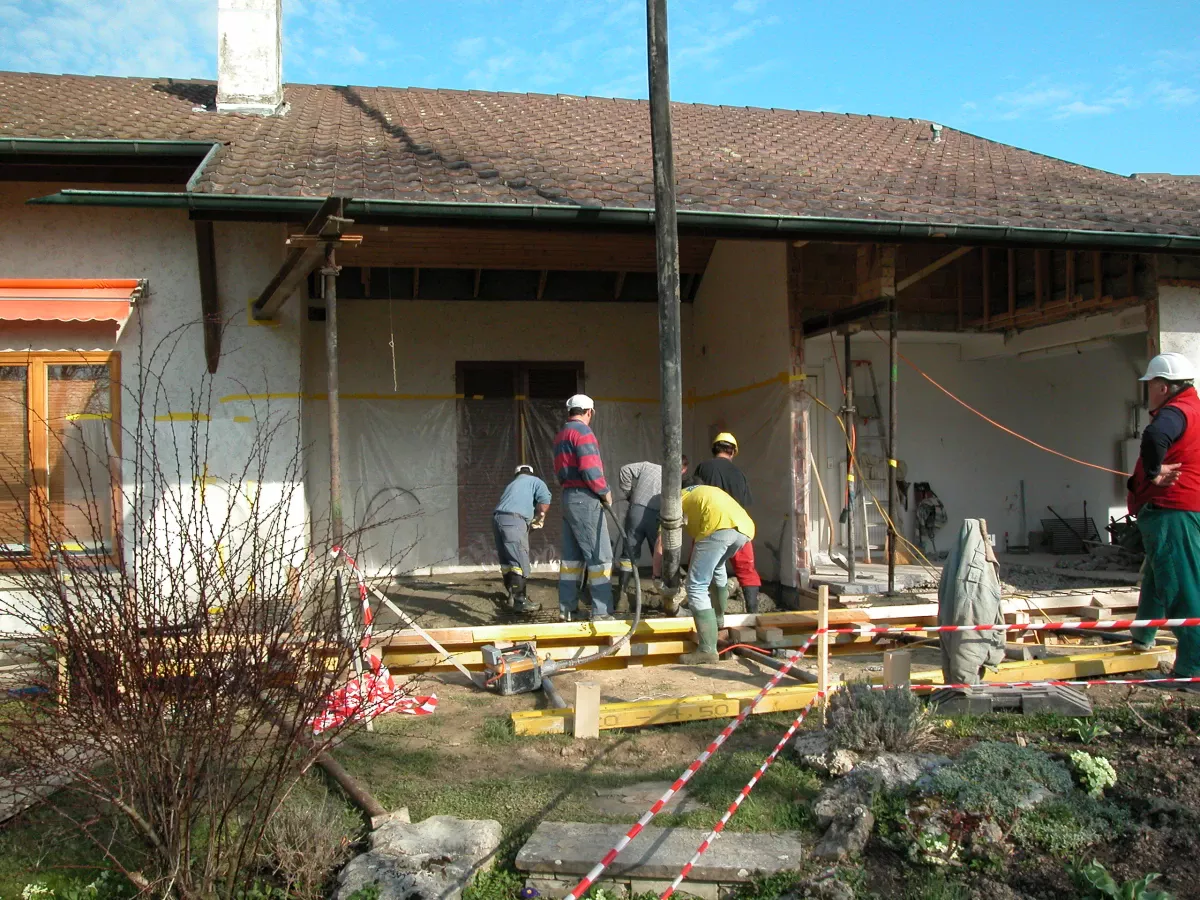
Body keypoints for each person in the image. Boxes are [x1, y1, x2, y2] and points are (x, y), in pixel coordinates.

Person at [1126, 352, 1200, 691]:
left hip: (1172, 509)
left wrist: (1153, 474)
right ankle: (1143, 635)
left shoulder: (1175, 412)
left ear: (1164, 386)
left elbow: (1155, 438)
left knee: (1182, 587)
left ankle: (1191, 669)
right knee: (1157, 576)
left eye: (1151, 385)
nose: (1148, 392)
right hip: (1178, 509)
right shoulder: (1193, 408)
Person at [552, 394, 615, 621]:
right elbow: (590, 467)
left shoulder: (562, 435)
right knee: (600, 557)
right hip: (585, 498)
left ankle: (567, 610)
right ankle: (602, 612)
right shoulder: (584, 433)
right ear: (589, 412)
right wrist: (604, 490)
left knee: (571, 559)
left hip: (569, 497)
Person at [677, 484, 755, 664]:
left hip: (717, 527)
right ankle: (719, 621)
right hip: (744, 530)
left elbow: (661, 541)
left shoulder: (677, 497)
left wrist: (658, 575)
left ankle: (707, 650)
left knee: (696, 585)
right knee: (718, 566)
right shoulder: (705, 491)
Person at [691, 433, 763, 613]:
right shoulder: (740, 474)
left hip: (711, 526)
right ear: (732, 452)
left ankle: (710, 614)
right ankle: (752, 615)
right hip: (740, 527)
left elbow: (695, 493)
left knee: (702, 572)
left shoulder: (703, 468)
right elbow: (745, 504)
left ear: (714, 449)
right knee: (747, 570)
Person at [617, 455, 690, 607]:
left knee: (629, 552)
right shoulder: (676, 482)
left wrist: (628, 493)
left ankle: (621, 594)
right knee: (660, 552)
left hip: (636, 511)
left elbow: (625, 470)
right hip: (657, 515)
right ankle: (666, 597)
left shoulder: (647, 466)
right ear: (683, 469)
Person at [492, 463, 551, 615]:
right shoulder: (536, 481)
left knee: (506, 561)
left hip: (498, 519)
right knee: (519, 561)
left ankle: (511, 595)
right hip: (514, 520)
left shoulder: (512, 485)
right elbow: (544, 502)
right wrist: (540, 517)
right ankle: (520, 601)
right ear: (531, 473)